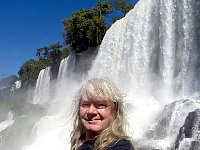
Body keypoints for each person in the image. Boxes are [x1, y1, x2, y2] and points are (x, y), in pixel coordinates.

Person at [70, 78, 135, 150]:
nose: (91, 111)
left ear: (115, 111)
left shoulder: (121, 146)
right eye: (85, 105)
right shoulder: (79, 143)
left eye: (100, 105)